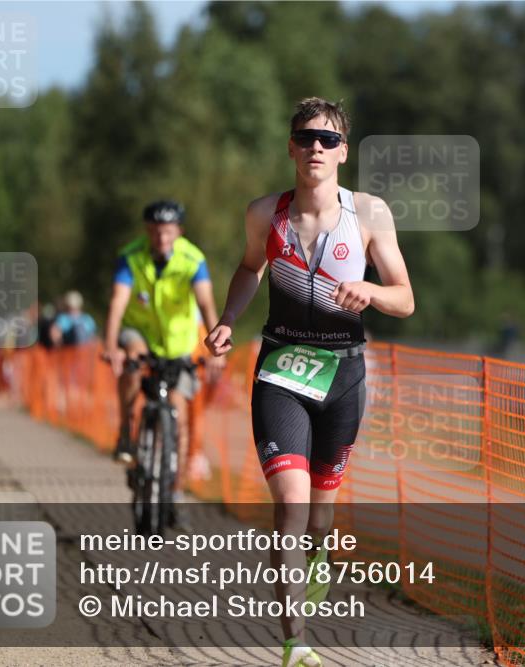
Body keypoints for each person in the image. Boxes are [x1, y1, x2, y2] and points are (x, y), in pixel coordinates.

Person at [204, 98, 415, 667]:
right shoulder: (263, 214)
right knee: (291, 508)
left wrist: (371, 291)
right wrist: (228, 320)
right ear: (290, 147)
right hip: (281, 370)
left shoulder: (368, 213)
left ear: (344, 151)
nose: (315, 148)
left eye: (327, 139)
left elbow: (405, 298)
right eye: (305, 138)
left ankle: (318, 554)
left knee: (320, 518)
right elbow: (250, 267)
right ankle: (296, 642)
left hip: (343, 374)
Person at [102, 200, 224, 529]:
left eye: (168, 231)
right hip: (139, 333)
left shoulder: (193, 259)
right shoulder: (131, 257)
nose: (161, 238)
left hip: (178, 346)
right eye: (155, 231)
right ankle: (126, 432)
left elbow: (206, 302)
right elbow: (117, 302)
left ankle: (175, 493)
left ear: (179, 231)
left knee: (179, 420)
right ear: (147, 231)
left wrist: (217, 347)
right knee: (132, 360)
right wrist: (110, 345)